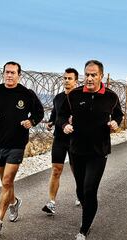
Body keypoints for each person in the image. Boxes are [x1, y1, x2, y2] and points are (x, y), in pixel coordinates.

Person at [57, 60, 123, 240]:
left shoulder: (111, 97)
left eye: (94, 75)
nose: (90, 78)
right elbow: (61, 115)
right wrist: (64, 125)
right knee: (80, 190)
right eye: (87, 74)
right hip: (76, 150)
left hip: (98, 151)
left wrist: (116, 123)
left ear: (101, 76)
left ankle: (83, 232)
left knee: (89, 189)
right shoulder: (75, 95)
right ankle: (89, 214)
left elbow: (118, 115)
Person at [0, 61, 44, 237]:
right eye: (7, 72)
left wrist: (32, 121)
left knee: (7, 181)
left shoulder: (26, 94)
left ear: (19, 75)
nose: (9, 75)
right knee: (6, 183)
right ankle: (14, 202)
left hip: (17, 144)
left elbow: (39, 112)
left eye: (13, 73)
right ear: (3, 74)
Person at [42, 68, 80, 215]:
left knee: (77, 170)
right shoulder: (58, 98)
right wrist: (50, 123)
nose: (66, 80)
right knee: (56, 170)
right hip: (59, 139)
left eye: (70, 78)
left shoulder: (80, 98)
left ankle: (80, 194)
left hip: (75, 140)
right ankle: (51, 202)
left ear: (76, 81)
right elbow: (55, 114)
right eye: (64, 78)